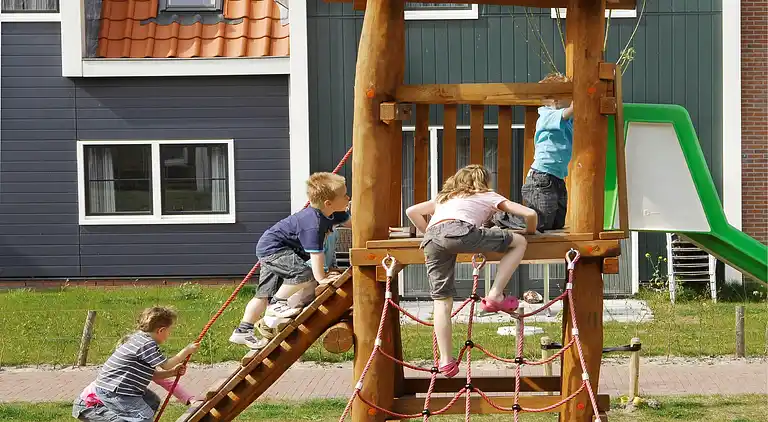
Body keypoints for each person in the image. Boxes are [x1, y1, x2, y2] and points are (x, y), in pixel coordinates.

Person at [405, 164, 537, 377]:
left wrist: (427, 232)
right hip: (460, 231)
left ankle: (446, 361)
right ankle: (495, 294)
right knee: (519, 242)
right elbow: (529, 213)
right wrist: (529, 231)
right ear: (485, 182)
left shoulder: (445, 197)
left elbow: (411, 211)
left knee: (442, 301)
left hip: (432, 240)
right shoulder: (487, 195)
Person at [229, 172, 351, 350]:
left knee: (263, 294)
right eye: (344, 195)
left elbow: (355, 224)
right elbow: (316, 255)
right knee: (304, 273)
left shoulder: (335, 214)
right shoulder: (313, 223)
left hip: (271, 247)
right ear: (328, 203)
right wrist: (323, 278)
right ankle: (278, 303)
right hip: (274, 249)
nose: (348, 197)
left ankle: (243, 330)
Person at [73, 307, 199, 422]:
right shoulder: (147, 344)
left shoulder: (138, 340)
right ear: (161, 330)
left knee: (152, 401)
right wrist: (186, 351)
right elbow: (166, 364)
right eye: (169, 331)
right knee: (143, 415)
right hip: (109, 395)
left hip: (117, 391)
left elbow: (152, 375)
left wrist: (172, 373)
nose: (169, 335)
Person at [522, 72, 574, 232]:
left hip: (557, 178)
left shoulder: (567, 119)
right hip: (541, 177)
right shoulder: (546, 115)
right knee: (541, 223)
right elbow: (565, 114)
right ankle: (505, 219)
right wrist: (576, 105)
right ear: (555, 100)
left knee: (557, 223)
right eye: (568, 96)